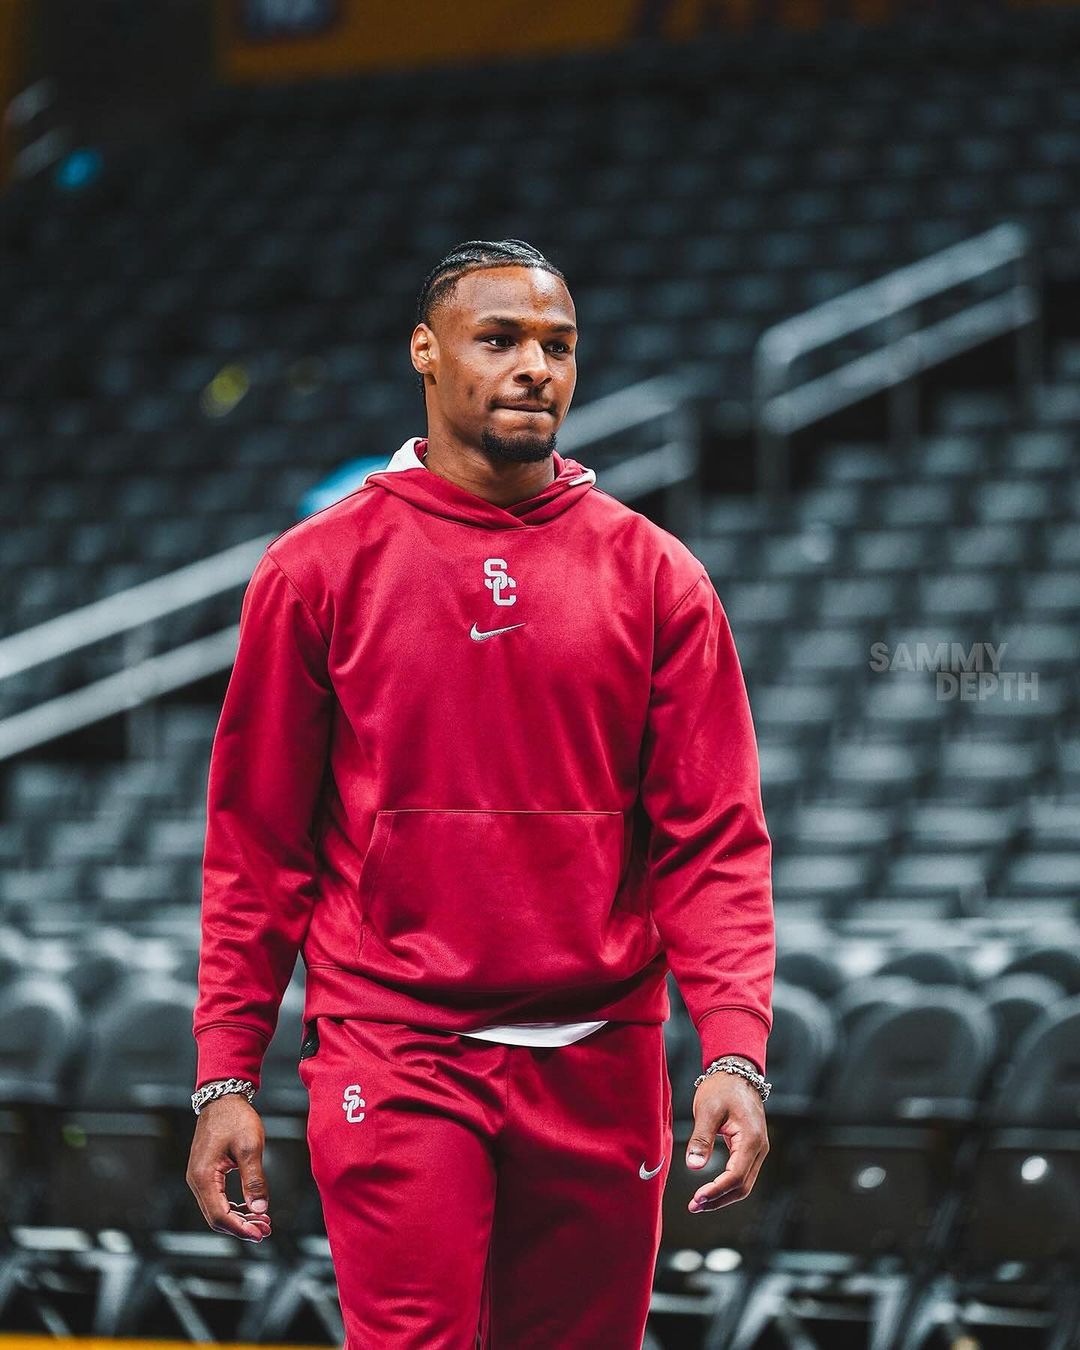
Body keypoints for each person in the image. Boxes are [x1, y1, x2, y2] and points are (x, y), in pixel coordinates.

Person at [187, 238, 775, 1348]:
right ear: (427, 352)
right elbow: (256, 846)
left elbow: (715, 843)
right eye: (499, 339)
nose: (533, 368)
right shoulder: (317, 569)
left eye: (557, 346)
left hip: (604, 1054)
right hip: (396, 1047)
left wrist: (735, 1046)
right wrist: (224, 1074)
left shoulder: (658, 576)